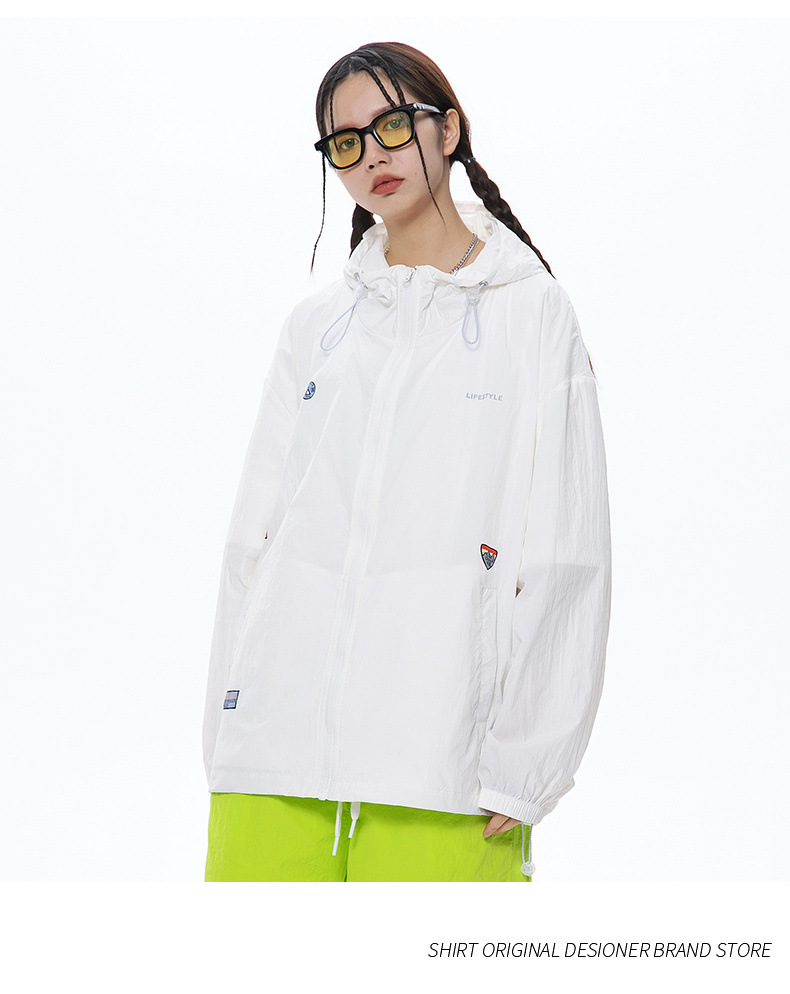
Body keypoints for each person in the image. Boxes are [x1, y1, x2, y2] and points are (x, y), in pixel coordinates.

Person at [202, 41, 612, 882]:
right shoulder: (316, 327)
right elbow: (253, 541)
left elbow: (567, 552)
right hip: (272, 761)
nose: (371, 155)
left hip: (442, 769)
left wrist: (530, 759)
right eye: (345, 142)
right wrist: (226, 734)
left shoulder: (532, 315)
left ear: (447, 129)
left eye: (392, 124)